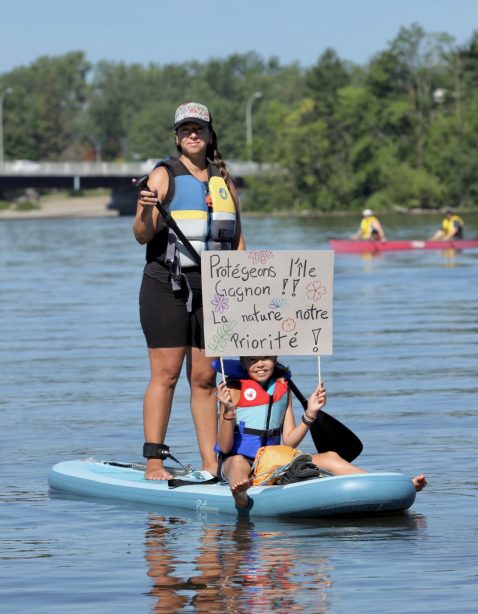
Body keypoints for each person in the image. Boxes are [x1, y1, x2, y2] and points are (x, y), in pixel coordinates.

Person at [132, 102, 246, 480]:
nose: (192, 134)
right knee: (165, 374)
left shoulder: (224, 181)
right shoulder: (163, 175)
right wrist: (147, 208)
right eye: (185, 129)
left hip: (214, 288)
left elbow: (238, 242)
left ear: (210, 135)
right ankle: (154, 461)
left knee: (205, 378)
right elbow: (142, 235)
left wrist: (244, 289)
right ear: (176, 136)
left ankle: (211, 463)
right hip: (167, 284)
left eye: (199, 129)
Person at [216, 356, 427, 509]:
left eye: (266, 358)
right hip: (238, 459)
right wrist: (228, 410)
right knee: (237, 463)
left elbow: (288, 443)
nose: (260, 364)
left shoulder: (282, 389)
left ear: (275, 357)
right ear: (243, 362)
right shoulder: (231, 389)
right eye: (252, 359)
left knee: (330, 456)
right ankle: (240, 493)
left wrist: (310, 414)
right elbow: (225, 447)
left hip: (273, 461)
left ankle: (386, 486)